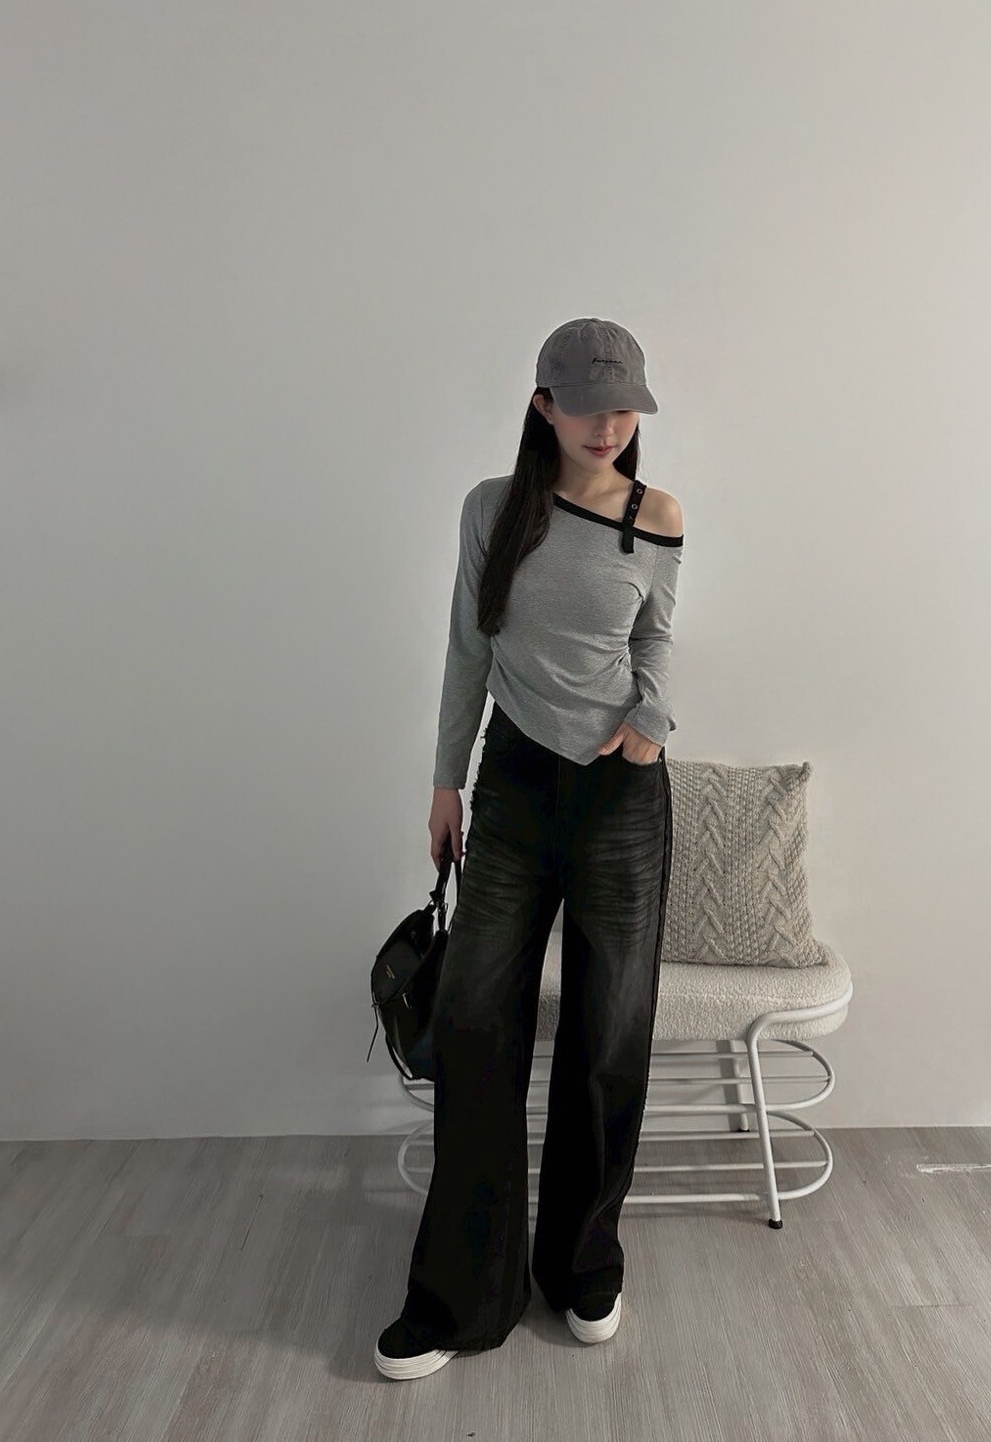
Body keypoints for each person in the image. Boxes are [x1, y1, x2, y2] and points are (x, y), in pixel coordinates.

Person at [374, 317, 685, 1381]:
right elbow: (467, 645)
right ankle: (458, 1294)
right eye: (587, 405)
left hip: (622, 794)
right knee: (474, 1020)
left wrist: (651, 722)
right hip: (511, 784)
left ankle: (583, 1262)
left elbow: (656, 635)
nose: (609, 425)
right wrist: (444, 780)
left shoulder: (655, 514)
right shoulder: (492, 508)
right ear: (544, 406)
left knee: (609, 1028)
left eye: (625, 405)